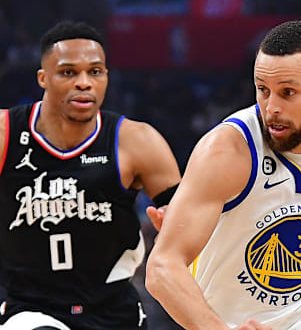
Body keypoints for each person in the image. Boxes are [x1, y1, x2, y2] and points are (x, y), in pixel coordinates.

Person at [145, 20, 301, 330]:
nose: (271, 107)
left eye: (288, 92)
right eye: (263, 90)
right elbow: (162, 268)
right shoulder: (227, 151)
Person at [0, 20, 181, 330]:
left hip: (113, 309)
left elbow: (192, 225)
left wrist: (176, 225)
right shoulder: (6, 133)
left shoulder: (137, 141)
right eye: (68, 72)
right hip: (32, 309)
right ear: (43, 78)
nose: (84, 83)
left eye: (95, 71)